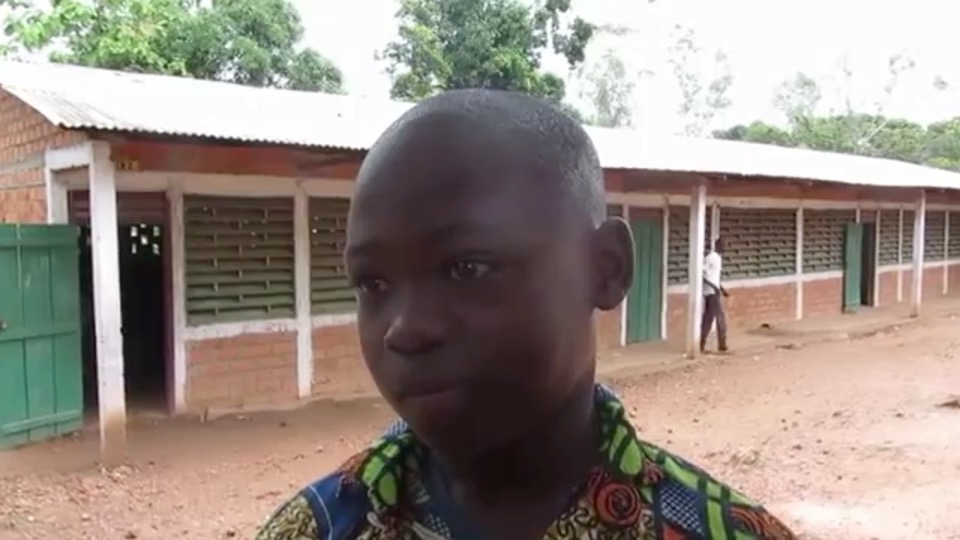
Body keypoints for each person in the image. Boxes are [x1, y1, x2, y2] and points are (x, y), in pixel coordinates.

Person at [255, 90, 795, 539]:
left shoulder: (728, 531)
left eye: (466, 267)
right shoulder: (313, 530)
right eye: (373, 282)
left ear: (605, 269)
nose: (406, 329)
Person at [701, 237, 729, 354]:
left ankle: (701, 343)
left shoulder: (716, 258)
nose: (725, 248)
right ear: (718, 246)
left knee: (708, 318)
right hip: (711, 292)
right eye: (723, 245)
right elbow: (703, 274)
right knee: (719, 318)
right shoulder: (713, 258)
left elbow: (714, 277)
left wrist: (722, 289)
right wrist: (715, 288)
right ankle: (722, 345)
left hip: (713, 291)